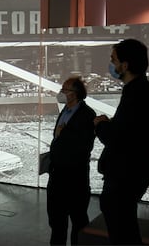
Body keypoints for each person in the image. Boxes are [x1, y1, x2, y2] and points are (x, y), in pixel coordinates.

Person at [94, 39, 149, 245]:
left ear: (125, 64)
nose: (111, 65)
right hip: (129, 174)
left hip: (125, 176)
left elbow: (117, 139)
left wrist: (100, 124)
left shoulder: (137, 94)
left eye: (113, 60)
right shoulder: (139, 91)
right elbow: (129, 132)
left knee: (123, 233)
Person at [46, 76, 96, 246]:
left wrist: (62, 134)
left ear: (75, 94)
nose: (61, 92)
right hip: (57, 175)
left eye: (65, 90)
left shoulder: (88, 114)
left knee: (79, 221)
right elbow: (58, 137)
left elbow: (83, 145)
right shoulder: (64, 110)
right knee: (57, 222)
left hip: (76, 178)